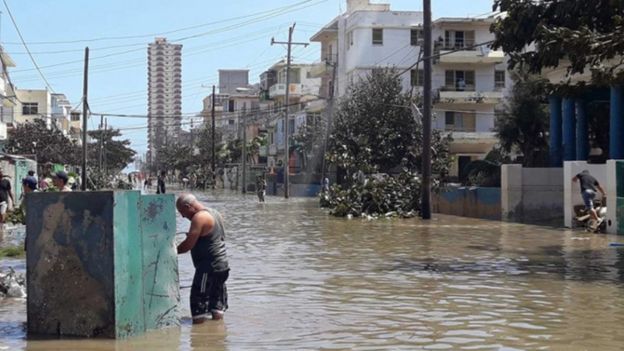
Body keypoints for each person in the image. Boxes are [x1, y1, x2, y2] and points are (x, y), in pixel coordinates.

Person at [176, 193, 229, 323]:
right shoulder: (215, 213)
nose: (183, 216)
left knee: (198, 303)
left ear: (189, 206)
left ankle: (200, 338)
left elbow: (188, 245)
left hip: (208, 267)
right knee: (217, 305)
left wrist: (171, 252)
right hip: (222, 266)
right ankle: (216, 335)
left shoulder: (199, 218)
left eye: (182, 212)